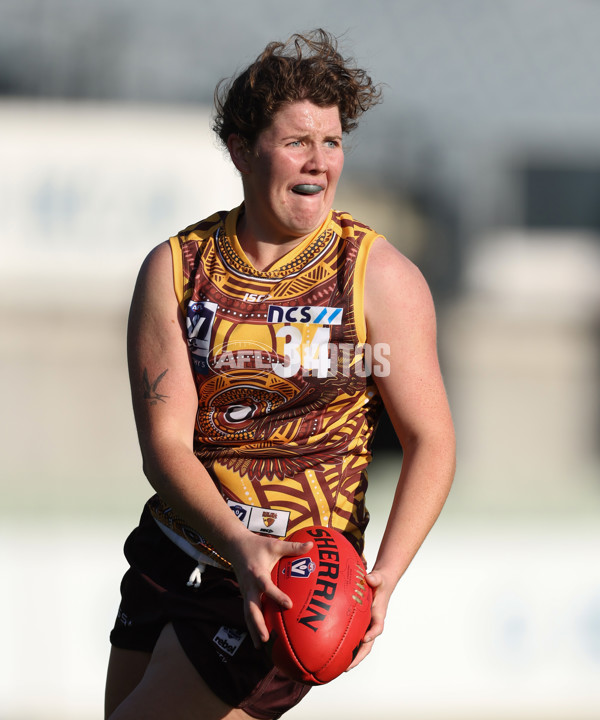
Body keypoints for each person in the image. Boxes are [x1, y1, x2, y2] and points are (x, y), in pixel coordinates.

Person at [104, 28, 455, 720]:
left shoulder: (377, 276)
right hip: (173, 549)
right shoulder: (176, 269)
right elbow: (164, 445)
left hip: (290, 584)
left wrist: (382, 578)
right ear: (241, 149)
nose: (320, 162)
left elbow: (432, 440)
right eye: (298, 141)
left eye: (331, 142)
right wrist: (237, 541)